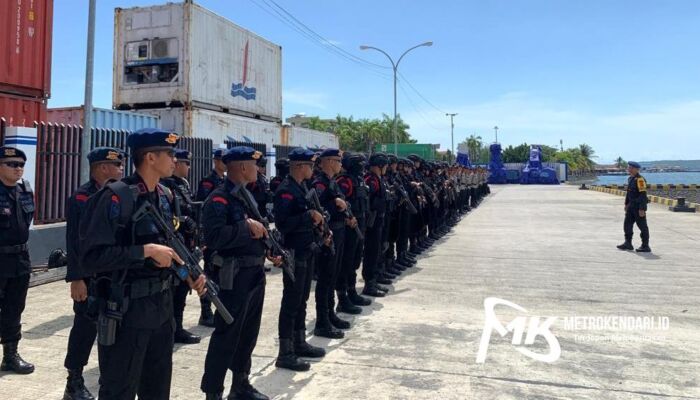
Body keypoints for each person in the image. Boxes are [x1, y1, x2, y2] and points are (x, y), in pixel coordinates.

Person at [79, 128, 207, 400]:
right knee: (118, 390)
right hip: (126, 312)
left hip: (161, 309)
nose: (175, 160)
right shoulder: (115, 197)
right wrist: (144, 251)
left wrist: (187, 274)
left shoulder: (165, 196)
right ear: (150, 157)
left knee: (158, 389)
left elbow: (171, 253)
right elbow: (91, 258)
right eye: (170, 154)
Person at [200, 146, 280, 400]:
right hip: (233, 277)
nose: (258, 169)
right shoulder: (219, 198)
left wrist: (268, 248)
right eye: (254, 165)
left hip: (254, 273)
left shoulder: (246, 195)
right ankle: (213, 391)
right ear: (243, 167)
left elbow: (261, 228)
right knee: (226, 336)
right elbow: (213, 238)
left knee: (248, 334)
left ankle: (241, 384)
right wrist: (245, 227)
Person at [63, 147, 125, 400]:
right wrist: (76, 278)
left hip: (112, 276)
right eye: (117, 165)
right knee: (84, 328)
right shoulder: (82, 197)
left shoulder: (119, 195)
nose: (121, 169)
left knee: (112, 329)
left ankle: (107, 377)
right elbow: (74, 242)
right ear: (102, 168)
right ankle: (74, 382)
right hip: (88, 277)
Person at [273, 148, 327, 372]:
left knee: (302, 299)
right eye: (309, 165)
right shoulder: (286, 191)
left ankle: (299, 342)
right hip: (293, 252)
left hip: (306, 249)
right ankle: (285, 352)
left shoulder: (301, 188)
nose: (312, 169)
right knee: (291, 302)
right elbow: (283, 223)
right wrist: (308, 216)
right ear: (299, 166)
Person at [160, 149, 201, 345]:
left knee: (184, 286)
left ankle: (178, 326)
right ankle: (172, 327)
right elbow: (169, 218)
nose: (188, 167)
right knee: (173, 288)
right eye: (186, 163)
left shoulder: (182, 185)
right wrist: (184, 221)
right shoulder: (165, 187)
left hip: (187, 245)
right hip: (174, 246)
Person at [0, 146, 35, 375]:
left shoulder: (25, 190)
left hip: (20, 259)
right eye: (11, 164)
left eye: (21, 165)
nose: (18, 169)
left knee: (15, 308)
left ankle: (10, 356)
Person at [312, 148, 354, 338]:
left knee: (333, 275)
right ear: (328, 162)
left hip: (338, 230)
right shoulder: (320, 184)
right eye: (337, 161)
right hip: (328, 234)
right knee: (325, 278)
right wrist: (335, 204)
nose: (340, 164)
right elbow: (316, 208)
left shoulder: (332, 182)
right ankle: (322, 320)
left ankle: (330, 314)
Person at [196, 148, 226, 327]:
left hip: (220, 235)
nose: (225, 164)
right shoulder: (208, 182)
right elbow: (204, 205)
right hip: (210, 234)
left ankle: (215, 309)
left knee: (219, 275)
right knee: (208, 273)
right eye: (222, 161)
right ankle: (205, 312)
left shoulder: (224, 181)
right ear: (215, 161)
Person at [362, 153, 390, 297]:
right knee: (371, 252)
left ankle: (374, 278)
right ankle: (369, 283)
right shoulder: (370, 179)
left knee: (377, 251)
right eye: (384, 165)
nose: (386, 168)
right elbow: (369, 201)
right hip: (372, 221)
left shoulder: (379, 179)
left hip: (380, 219)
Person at [617, 161, 651, 252]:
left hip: (638, 207)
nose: (629, 169)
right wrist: (626, 204)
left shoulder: (640, 180)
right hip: (631, 207)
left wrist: (642, 208)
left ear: (637, 169)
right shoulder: (630, 179)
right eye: (629, 168)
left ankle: (645, 246)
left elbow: (643, 194)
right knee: (627, 225)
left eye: (631, 168)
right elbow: (629, 193)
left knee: (642, 226)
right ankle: (628, 243)